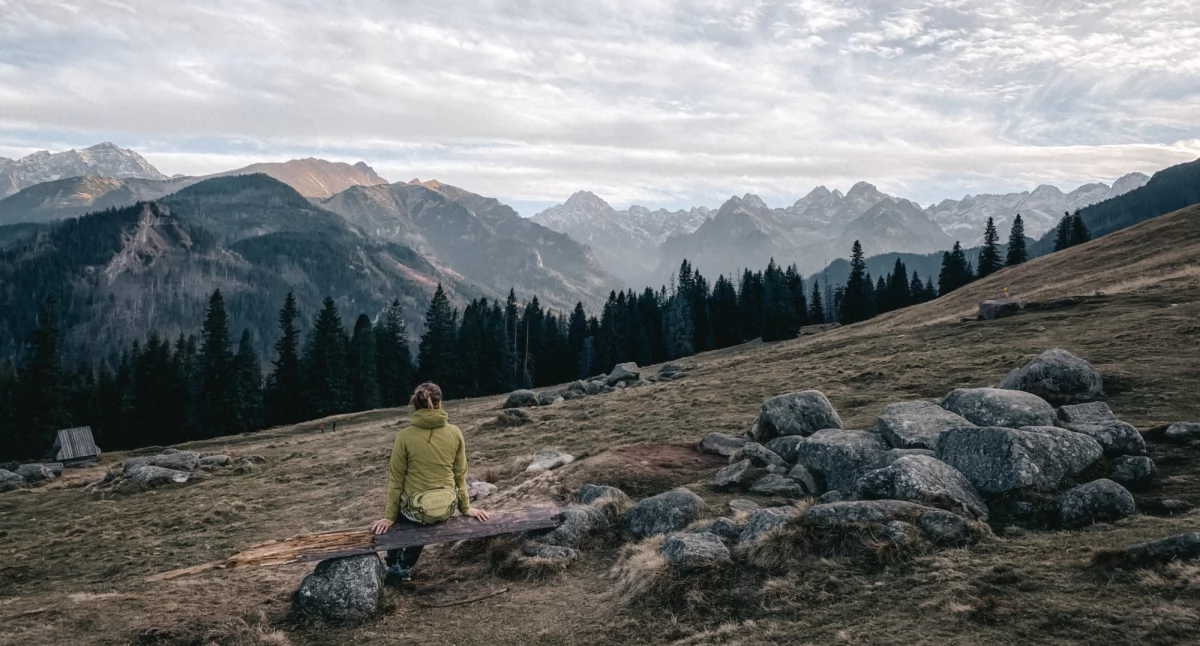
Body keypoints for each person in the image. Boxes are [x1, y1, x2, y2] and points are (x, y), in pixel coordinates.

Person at [370, 382, 491, 582]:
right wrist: (465, 508)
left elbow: (396, 481)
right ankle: (407, 566)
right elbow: (460, 474)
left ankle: (393, 564)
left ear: (415, 404)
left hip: (415, 512)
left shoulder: (404, 436)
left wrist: (389, 518)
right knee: (429, 514)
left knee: (411, 513)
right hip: (446, 508)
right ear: (439, 402)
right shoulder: (455, 432)